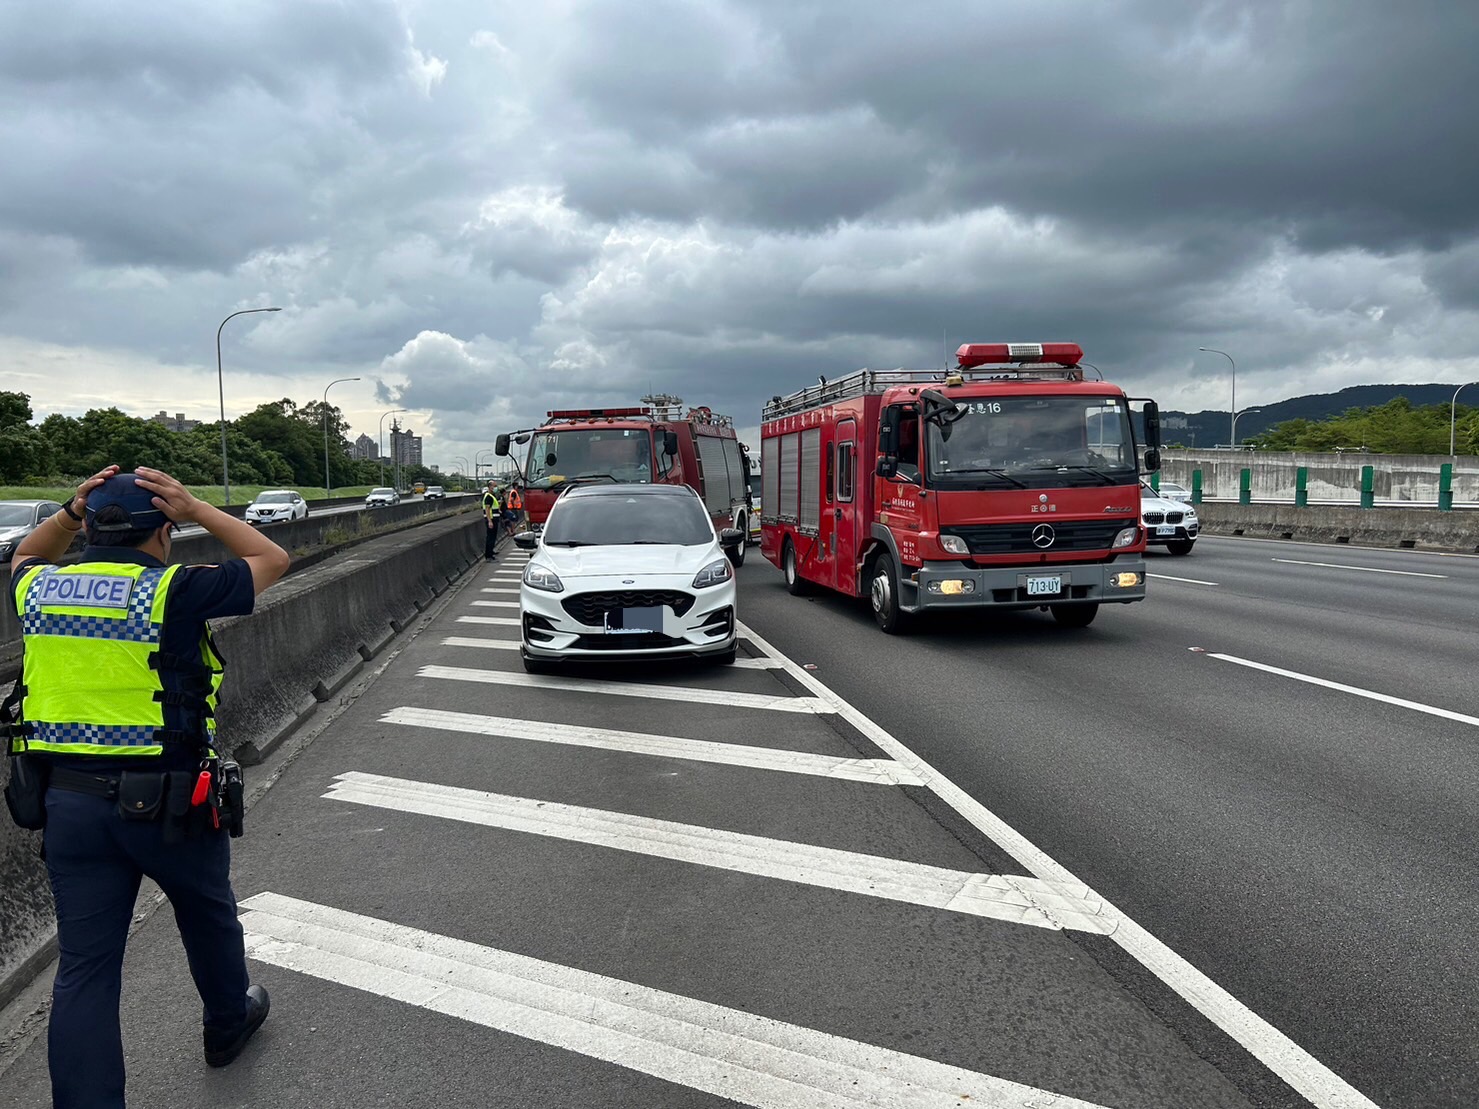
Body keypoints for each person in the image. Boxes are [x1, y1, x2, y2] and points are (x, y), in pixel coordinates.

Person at [5, 466, 291, 1108]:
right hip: (172, 801)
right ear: (164, 530)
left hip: (69, 804)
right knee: (206, 912)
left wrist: (69, 511)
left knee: (85, 967)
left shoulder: (38, 589)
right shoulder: (175, 591)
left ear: (91, 525)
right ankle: (226, 1024)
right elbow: (270, 556)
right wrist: (197, 508)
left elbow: (25, 552)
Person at [481, 479, 502, 560]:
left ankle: (491, 551)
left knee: (493, 537)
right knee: (490, 537)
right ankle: (489, 556)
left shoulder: (492, 496)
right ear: (490, 487)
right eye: (495, 486)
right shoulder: (488, 497)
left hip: (494, 519)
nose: (496, 488)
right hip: (491, 520)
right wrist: (489, 521)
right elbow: (487, 509)